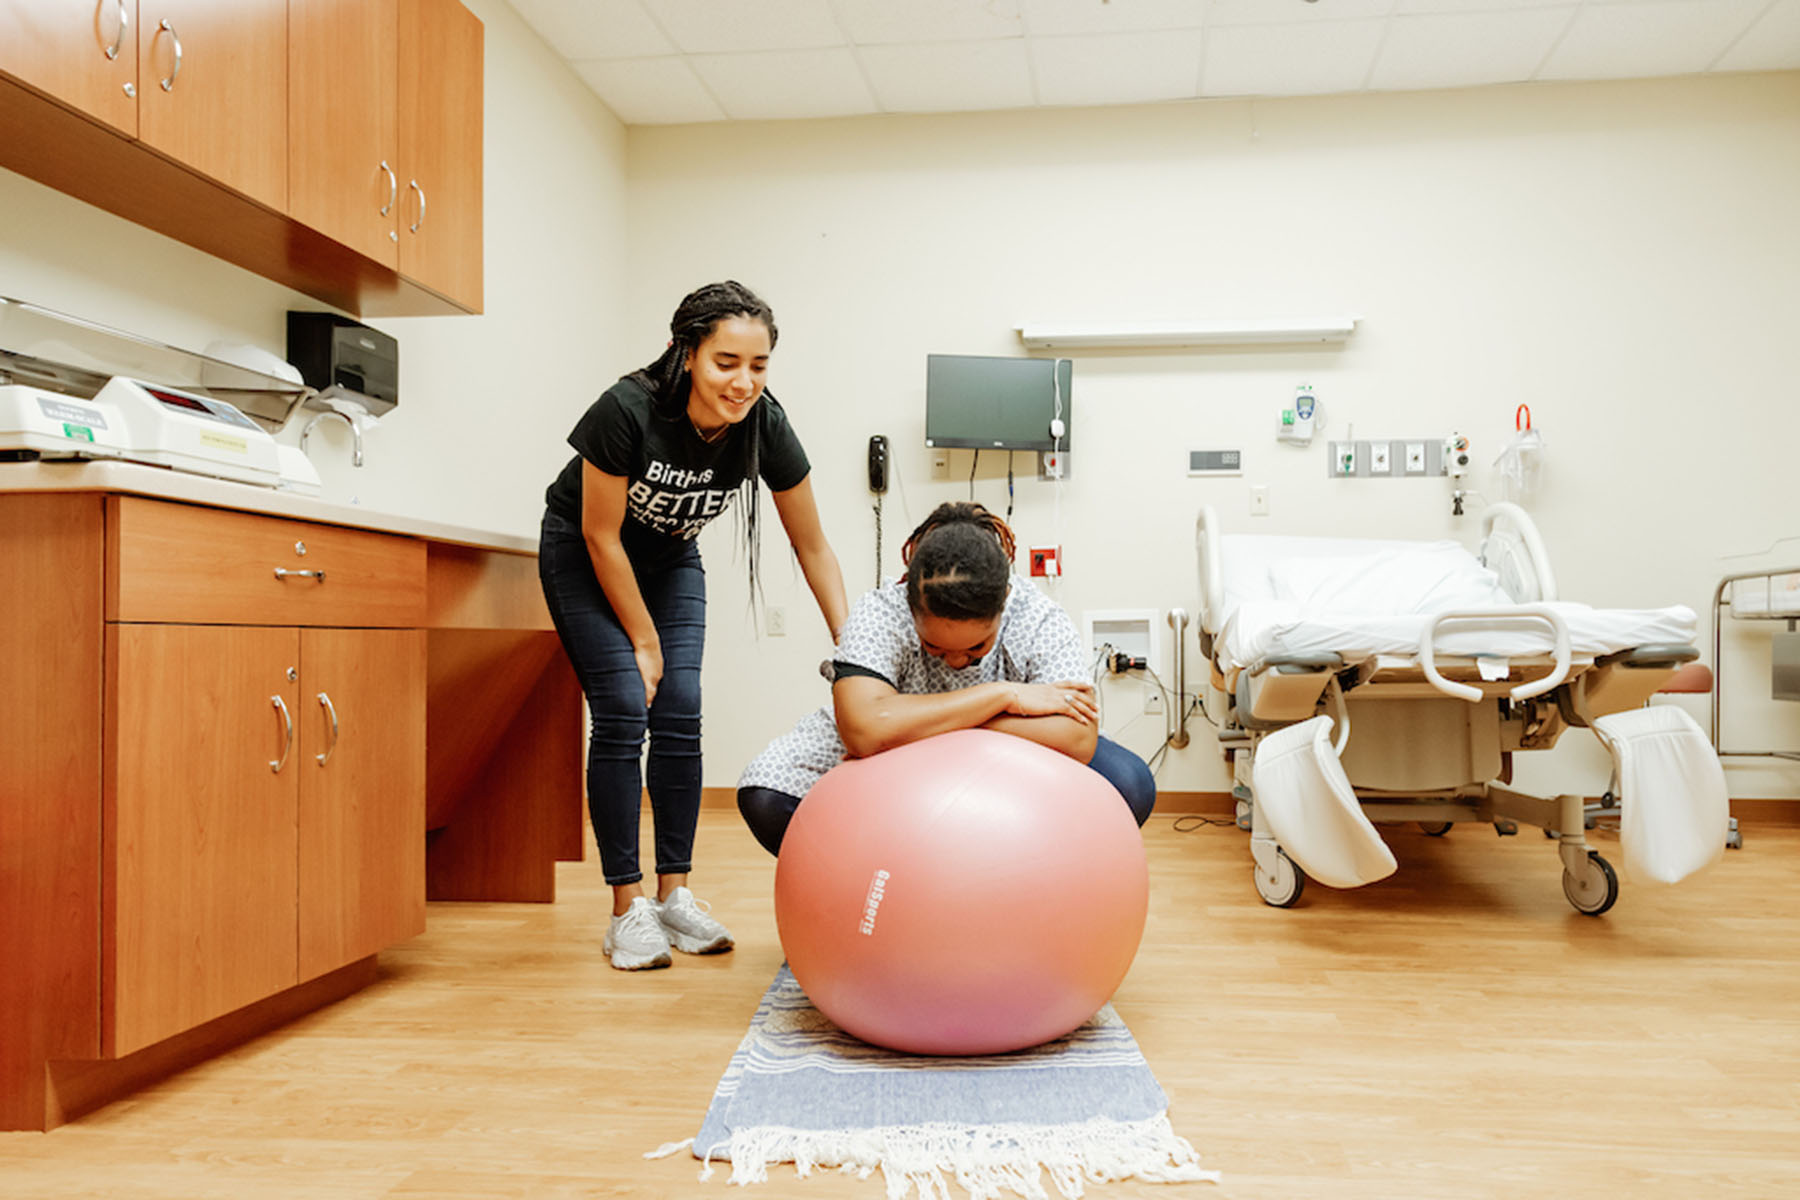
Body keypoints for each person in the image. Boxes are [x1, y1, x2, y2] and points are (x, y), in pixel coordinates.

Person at [539, 281, 848, 970]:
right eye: (726, 362)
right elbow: (600, 536)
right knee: (623, 708)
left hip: (671, 558)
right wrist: (643, 640)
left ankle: (675, 895)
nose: (743, 382)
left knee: (681, 705)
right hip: (586, 556)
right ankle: (628, 908)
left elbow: (813, 546)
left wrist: (855, 648)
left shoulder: (765, 423)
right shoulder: (626, 410)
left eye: (758, 365)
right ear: (686, 353)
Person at [737, 502, 1156, 854]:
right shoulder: (880, 611)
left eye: (976, 650)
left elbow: (1078, 738)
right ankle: (865, 905)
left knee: (1128, 785)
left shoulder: (1037, 615)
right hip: (888, 774)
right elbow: (863, 730)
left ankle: (1021, 898)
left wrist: (918, 726)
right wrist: (1001, 695)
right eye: (935, 648)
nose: (956, 663)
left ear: (1004, 602)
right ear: (909, 605)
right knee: (767, 792)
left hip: (1000, 766)